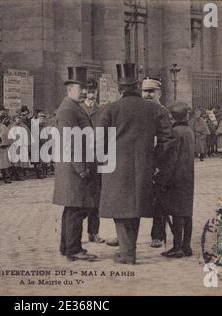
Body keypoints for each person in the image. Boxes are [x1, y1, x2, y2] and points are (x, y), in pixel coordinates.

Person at [98, 64, 175, 264]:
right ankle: (127, 250)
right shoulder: (154, 109)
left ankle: (127, 253)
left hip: (115, 167)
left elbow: (99, 141)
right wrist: (155, 160)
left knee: (121, 209)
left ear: (119, 88)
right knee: (135, 206)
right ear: (137, 85)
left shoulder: (110, 109)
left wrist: (105, 158)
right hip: (143, 166)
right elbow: (168, 139)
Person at [53, 66, 100, 262]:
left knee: (71, 208)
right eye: (81, 88)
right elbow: (70, 141)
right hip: (75, 168)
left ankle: (67, 247)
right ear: (71, 88)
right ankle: (74, 248)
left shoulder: (71, 107)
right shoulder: (68, 109)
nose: (84, 91)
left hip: (73, 166)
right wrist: (81, 168)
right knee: (77, 208)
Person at [155, 102, 194, 258]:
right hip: (188, 177)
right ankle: (186, 246)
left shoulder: (175, 133)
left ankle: (177, 247)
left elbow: (170, 159)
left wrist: (161, 179)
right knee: (187, 213)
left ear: (172, 117)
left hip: (175, 178)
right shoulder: (189, 131)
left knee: (176, 213)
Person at [141, 76, 171, 249]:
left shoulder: (162, 112)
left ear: (159, 92)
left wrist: (157, 164)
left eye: (151, 91)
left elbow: (166, 140)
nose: (147, 95)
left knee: (159, 200)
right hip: (139, 162)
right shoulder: (139, 111)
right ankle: (126, 234)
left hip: (156, 165)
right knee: (133, 199)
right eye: (145, 91)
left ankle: (158, 235)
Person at [79, 77, 105, 244]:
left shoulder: (101, 111)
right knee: (80, 198)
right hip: (81, 159)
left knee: (96, 198)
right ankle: (76, 235)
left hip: (96, 159)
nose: (91, 95)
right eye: (88, 92)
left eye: (94, 92)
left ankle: (93, 232)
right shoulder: (78, 110)